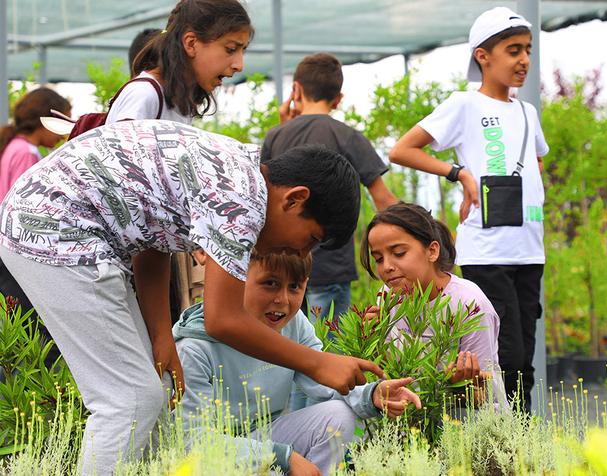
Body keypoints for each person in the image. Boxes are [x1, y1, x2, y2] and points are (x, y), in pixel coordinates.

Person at [0, 120, 384, 475]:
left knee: (151, 394)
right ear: (294, 199)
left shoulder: (239, 171)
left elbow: (152, 242)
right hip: (53, 226)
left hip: (53, 217)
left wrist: (161, 337)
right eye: (311, 239)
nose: (301, 253)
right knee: (128, 399)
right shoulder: (242, 198)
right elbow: (222, 319)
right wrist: (317, 362)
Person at [388, 7, 548, 411]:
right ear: (483, 56)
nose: (524, 60)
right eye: (514, 50)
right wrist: (459, 174)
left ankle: (522, 439)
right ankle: (499, 437)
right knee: (505, 358)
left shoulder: (527, 112)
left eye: (527, 50)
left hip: (530, 249)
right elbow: (402, 149)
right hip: (488, 250)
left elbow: (536, 162)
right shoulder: (464, 104)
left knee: (524, 361)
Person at [175, 249, 421, 475]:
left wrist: (372, 394)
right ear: (235, 276)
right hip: (216, 452)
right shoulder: (194, 347)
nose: (283, 299)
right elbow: (193, 443)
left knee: (339, 416)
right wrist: (280, 457)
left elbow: (323, 380)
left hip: (267, 431)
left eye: (294, 286)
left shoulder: (292, 323)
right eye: (270, 283)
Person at [261, 52, 397, 412]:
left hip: (278, 269)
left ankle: (289, 429)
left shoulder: (276, 135)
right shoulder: (347, 135)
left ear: (296, 90)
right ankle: (323, 431)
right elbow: (384, 199)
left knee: (290, 350)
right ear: (338, 99)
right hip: (330, 269)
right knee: (328, 355)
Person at [360, 203, 508, 411]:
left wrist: (459, 386)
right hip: (412, 418)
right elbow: (391, 378)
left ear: (432, 251)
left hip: (470, 420)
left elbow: (485, 397)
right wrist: (372, 342)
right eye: (378, 258)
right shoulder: (387, 298)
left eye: (399, 253)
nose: (387, 267)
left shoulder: (469, 303)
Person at [0, 87, 71, 369]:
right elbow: (28, 210)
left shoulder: (15, 146)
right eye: (63, 123)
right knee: (32, 332)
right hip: (13, 250)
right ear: (46, 119)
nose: (64, 134)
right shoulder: (27, 153)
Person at [107, 0, 252, 124]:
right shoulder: (144, 95)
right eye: (230, 49)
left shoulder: (182, 103)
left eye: (242, 51)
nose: (239, 66)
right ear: (191, 44)